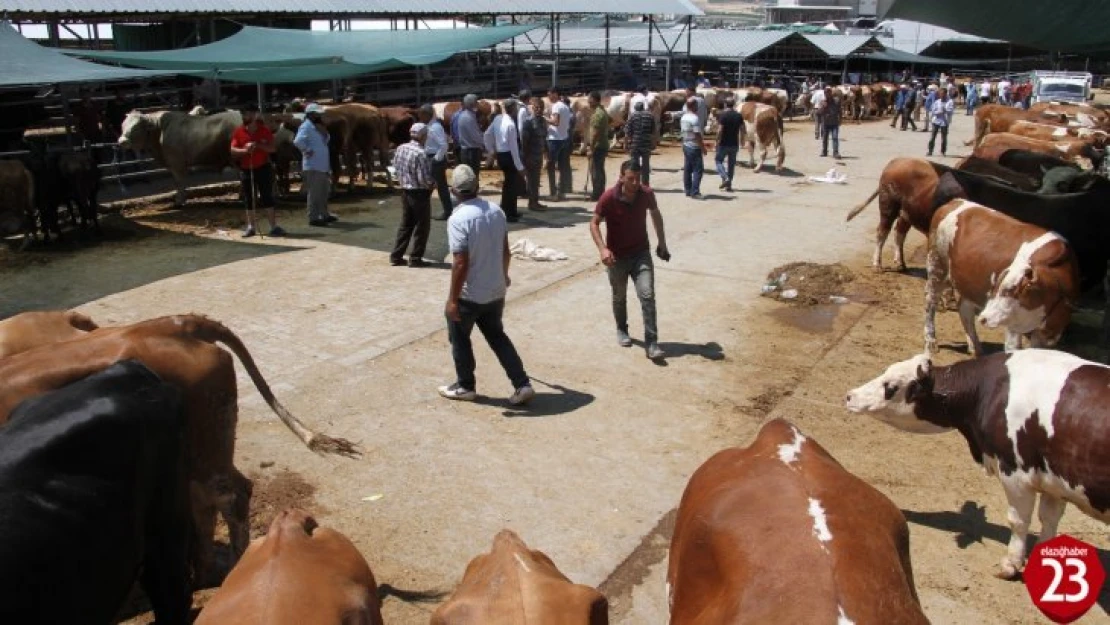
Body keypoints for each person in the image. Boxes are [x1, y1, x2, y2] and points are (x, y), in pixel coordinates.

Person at [438, 165, 534, 406]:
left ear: (454, 191)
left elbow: (460, 262)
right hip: (495, 290)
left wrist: (452, 299)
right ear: (477, 187)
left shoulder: (458, 219)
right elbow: (505, 250)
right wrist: (504, 276)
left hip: (471, 294)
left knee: (459, 337)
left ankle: (465, 385)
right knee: (497, 337)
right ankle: (522, 383)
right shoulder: (496, 211)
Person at [589, 160, 670, 361]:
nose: (635, 183)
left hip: (641, 253)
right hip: (616, 257)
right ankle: (621, 329)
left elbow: (656, 214)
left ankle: (652, 343)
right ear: (622, 178)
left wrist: (662, 243)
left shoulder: (647, 194)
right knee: (619, 296)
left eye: (638, 178)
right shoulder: (608, 197)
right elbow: (594, 223)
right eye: (630, 179)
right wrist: (602, 249)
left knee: (647, 295)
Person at [229, 103, 284, 237]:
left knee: (267, 196)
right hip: (246, 169)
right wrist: (244, 150)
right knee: (249, 198)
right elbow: (233, 150)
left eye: (246, 113)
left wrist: (258, 145)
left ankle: (274, 226)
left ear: (255, 115)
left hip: (263, 168)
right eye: (243, 114)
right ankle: (251, 227)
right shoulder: (239, 131)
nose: (244, 116)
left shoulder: (264, 130)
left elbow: (273, 149)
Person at [389, 122, 435, 267]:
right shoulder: (421, 153)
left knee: (406, 224)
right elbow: (424, 179)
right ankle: (415, 258)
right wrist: (433, 184)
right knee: (422, 226)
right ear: (423, 136)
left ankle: (396, 255)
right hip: (419, 193)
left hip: (405, 190)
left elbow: (395, 169)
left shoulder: (401, 148)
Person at [484, 99, 525, 222]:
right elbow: (514, 148)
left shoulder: (497, 119)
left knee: (508, 184)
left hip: (501, 155)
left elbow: (486, 134)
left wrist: (491, 150)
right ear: (512, 109)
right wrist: (520, 166)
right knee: (511, 185)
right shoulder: (511, 124)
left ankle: (509, 210)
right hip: (509, 156)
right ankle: (509, 213)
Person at [293, 103, 334, 227]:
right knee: (315, 192)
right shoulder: (306, 126)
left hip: (322, 164)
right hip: (313, 165)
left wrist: (325, 133)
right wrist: (307, 150)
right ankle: (314, 216)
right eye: (317, 114)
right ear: (311, 115)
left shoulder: (317, 126)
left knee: (323, 191)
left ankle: (324, 213)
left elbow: (326, 140)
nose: (319, 116)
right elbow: (298, 141)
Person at [417, 104, 452, 221]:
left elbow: (443, 145)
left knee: (440, 187)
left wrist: (436, 159)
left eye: (421, 114)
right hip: (431, 157)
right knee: (433, 185)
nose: (419, 117)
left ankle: (447, 211)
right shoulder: (430, 126)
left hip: (435, 159)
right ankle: (424, 210)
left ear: (427, 115)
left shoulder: (435, 127)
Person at [520, 95, 548, 212]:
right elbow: (524, 142)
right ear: (532, 108)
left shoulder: (543, 121)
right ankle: (532, 203)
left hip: (539, 155)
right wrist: (526, 158)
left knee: (536, 180)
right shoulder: (528, 123)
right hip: (531, 156)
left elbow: (544, 138)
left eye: (541, 107)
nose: (539, 110)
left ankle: (535, 201)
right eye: (536, 107)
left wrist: (547, 154)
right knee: (532, 181)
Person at [545, 87, 571, 201]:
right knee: (562, 167)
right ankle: (562, 192)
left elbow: (555, 122)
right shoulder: (565, 106)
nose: (548, 97)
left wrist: (543, 118)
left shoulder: (556, 106)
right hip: (564, 138)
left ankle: (553, 193)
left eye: (549, 94)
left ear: (555, 94)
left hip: (554, 139)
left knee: (550, 166)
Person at [680, 97, 707, 198]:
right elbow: (697, 135)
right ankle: (695, 192)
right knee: (698, 169)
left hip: (686, 144)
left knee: (687, 168)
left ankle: (688, 190)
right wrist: (703, 147)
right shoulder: (695, 119)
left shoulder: (684, 117)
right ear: (694, 106)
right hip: (694, 146)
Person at [456, 94, 485, 187]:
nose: (478, 104)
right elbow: (475, 136)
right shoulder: (468, 117)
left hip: (467, 150)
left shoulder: (464, 115)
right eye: (476, 102)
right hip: (471, 151)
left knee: (469, 175)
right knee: (472, 176)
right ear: (472, 103)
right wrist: (485, 142)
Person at [625, 100, 655, 186]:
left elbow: (627, 132)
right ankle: (645, 184)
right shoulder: (650, 115)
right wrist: (653, 143)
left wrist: (625, 144)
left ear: (635, 108)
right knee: (646, 165)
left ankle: (635, 182)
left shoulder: (632, 116)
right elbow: (653, 131)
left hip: (635, 144)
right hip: (646, 143)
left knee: (634, 164)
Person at [715, 98, 742, 191]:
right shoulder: (738, 115)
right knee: (731, 165)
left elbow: (720, 130)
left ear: (725, 104)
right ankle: (729, 184)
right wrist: (742, 140)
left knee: (718, 161)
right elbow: (743, 129)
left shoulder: (723, 115)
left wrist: (717, 140)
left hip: (724, 143)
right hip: (734, 143)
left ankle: (725, 177)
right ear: (733, 104)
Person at [587, 91, 609, 202]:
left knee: (595, 170)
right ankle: (601, 192)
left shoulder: (598, 114)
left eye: (589, 100)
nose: (588, 102)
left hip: (598, 146)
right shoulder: (602, 111)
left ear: (595, 100)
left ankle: (597, 194)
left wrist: (591, 148)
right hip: (603, 144)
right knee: (599, 169)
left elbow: (595, 133)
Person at [927, 88, 955, 157]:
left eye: (942, 94)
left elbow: (951, 111)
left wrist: (945, 110)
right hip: (936, 121)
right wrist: (938, 112)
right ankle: (930, 151)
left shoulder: (950, 101)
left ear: (945, 94)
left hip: (944, 122)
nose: (941, 95)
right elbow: (933, 110)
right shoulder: (937, 102)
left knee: (944, 138)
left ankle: (943, 151)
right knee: (932, 137)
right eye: (940, 94)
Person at [821, 87, 842, 159]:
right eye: (825, 93)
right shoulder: (823, 102)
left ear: (831, 93)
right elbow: (819, 112)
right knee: (825, 138)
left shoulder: (836, 101)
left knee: (835, 137)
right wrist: (823, 107)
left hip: (834, 122)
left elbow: (840, 110)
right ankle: (824, 151)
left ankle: (835, 152)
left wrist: (840, 119)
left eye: (828, 93)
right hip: (826, 123)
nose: (827, 94)